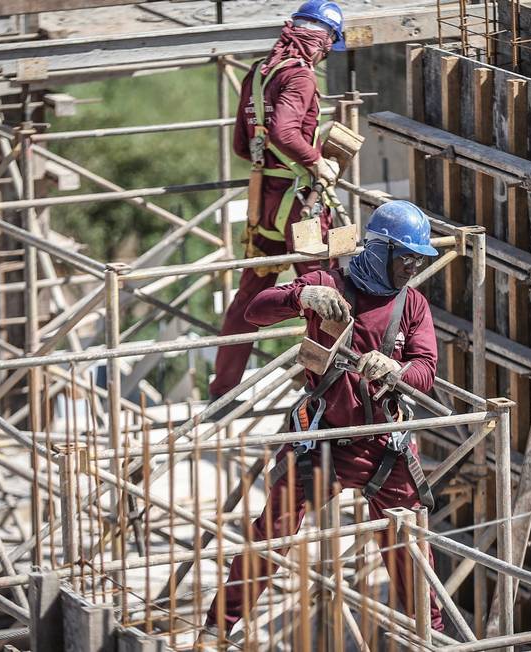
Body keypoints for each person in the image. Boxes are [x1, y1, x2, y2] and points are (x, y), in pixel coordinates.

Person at [201, 200, 445, 643]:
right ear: (378, 251)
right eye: (405, 258)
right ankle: (218, 628)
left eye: (417, 260)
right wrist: (301, 296)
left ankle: (434, 638)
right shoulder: (328, 284)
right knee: (271, 534)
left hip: (382, 445)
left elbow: (425, 368)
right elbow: (257, 310)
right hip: (323, 437)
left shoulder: (412, 306)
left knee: (408, 545)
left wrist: (398, 371)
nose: (412, 268)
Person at [209, 0, 347, 401]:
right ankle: (324, 388)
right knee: (326, 289)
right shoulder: (300, 78)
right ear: (321, 40)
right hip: (300, 208)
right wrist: (316, 161)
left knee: (249, 298)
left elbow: (242, 144)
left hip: (263, 205)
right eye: (327, 47)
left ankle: (222, 392)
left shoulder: (258, 74)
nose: (323, 55)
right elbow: (285, 132)